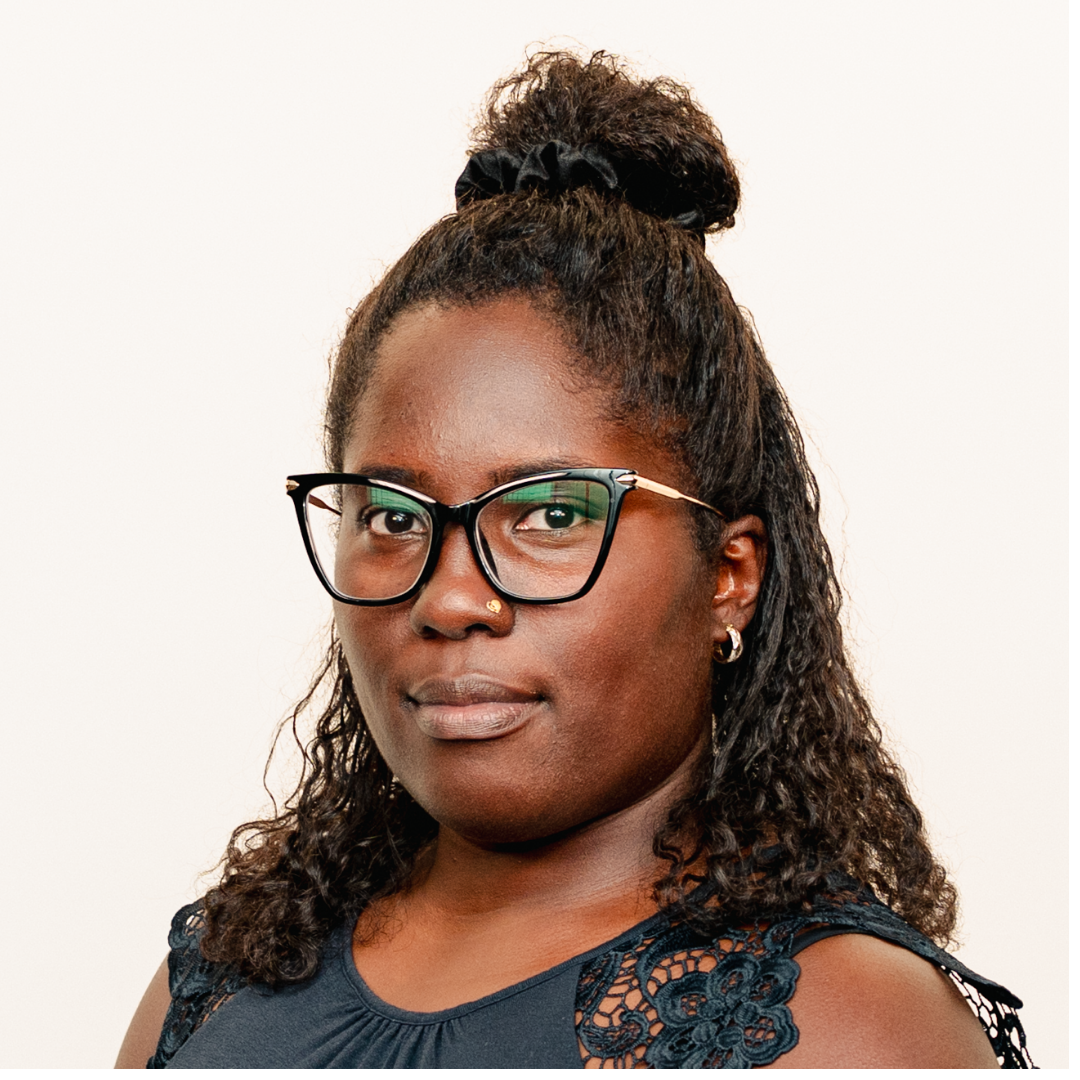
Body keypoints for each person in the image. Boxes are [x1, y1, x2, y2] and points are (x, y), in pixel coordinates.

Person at [116, 51, 1033, 1069]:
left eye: (551, 514)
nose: (451, 597)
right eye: (393, 518)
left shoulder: (846, 1027)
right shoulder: (218, 978)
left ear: (729, 575)